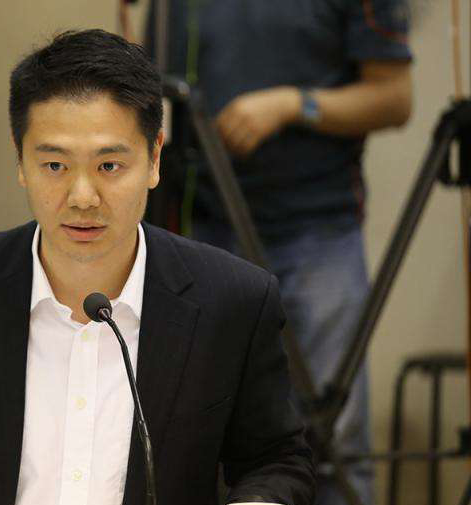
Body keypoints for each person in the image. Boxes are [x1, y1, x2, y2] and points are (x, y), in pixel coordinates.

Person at [0, 29, 315, 505]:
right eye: (54, 165)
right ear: (20, 161)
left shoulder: (231, 300)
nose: (82, 196)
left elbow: (277, 460)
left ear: (155, 158)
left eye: (109, 165)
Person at [122, 1, 413, 504]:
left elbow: (394, 98)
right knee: (199, 441)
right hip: (203, 228)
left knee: (333, 442)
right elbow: (149, 95)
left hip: (316, 231)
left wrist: (293, 104)